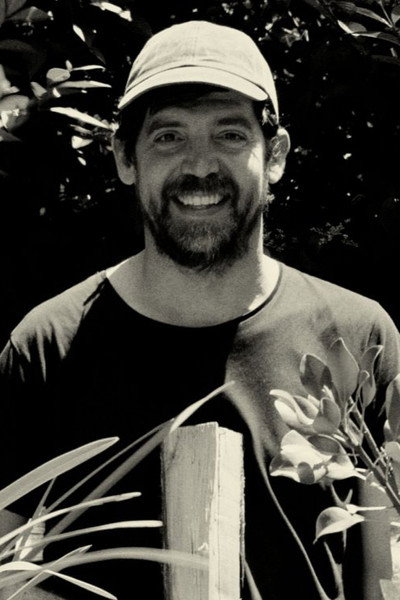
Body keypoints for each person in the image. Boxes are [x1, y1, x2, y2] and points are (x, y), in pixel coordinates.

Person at [0, 19, 399, 600]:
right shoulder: (47, 346)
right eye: (169, 137)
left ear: (276, 155)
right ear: (124, 157)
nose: (200, 165)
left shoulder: (358, 338)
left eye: (230, 135)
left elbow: (387, 576)